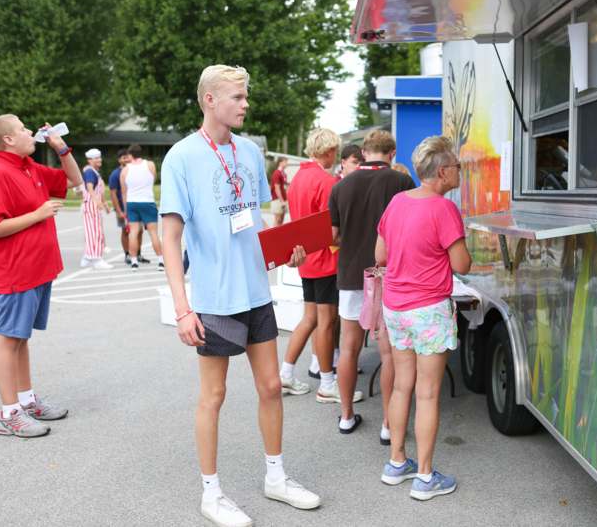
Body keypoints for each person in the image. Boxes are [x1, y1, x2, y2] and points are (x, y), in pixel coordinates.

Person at [161, 64, 319, 527]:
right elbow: (171, 238)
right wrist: (182, 308)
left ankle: (276, 476)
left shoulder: (250, 153)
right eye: (236, 96)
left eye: (246, 95)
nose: (245, 103)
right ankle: (211, 493)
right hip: (212, 300)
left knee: (271, 387)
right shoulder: (182, 157)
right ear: (210, 100)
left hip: (256, 292)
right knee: (214, 395)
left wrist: (283, 250)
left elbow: (252, 217)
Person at [376, 135, 471, 500]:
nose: (459, 172)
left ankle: (397, 462)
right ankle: (426, 478)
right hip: (429, 310)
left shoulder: (397, 203)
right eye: (458, 167)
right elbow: (461, 264)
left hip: (396, 308)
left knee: (403, 385)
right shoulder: (444, 209)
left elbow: (380, 254)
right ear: (444, 172)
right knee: (428, 394)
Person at [0, 114, 82, 438]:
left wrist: (62, 150)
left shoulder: (28, 167)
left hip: (36, 270)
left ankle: (26, 399)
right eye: (22, 129)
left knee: (20, 339)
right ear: (7, 139)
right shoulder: (0, 171)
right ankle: (9, 413)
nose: (30, 132)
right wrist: (38, 214)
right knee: (7, 340)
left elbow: (72, 182)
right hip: (14, 272)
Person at [329, 130, 414, 439]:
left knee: (349, 348)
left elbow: (334, 237)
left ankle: (347, 416)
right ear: (392, 154)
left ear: (364, 152)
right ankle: (389, 426)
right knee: (388, 353)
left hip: (351, 275)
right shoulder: (402, 183)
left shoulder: (340, 187)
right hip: (390, 274)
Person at [279, 128, 362, 405]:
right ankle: (327, 383)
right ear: (328, 151)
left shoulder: (298, 178)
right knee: (326, 323)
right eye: (335, 152)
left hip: (306, 259)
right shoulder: (326, 182)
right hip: (325, 258)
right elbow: (333, 229)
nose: (336, 156)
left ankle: (286, 372)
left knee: (310, 319)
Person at [121, 144, 164, 271]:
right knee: (153, 233)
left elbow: (124, 192)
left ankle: (134, 261)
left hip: (132, 202)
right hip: (147, 201)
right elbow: (154, 178)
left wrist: (125, 210)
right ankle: (161, 260)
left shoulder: (125, 170)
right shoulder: (150, 165)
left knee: (133, 232)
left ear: (130, 155)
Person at [108, 148, 146, 265]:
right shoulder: (116, 174)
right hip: (123, 207)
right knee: (125, 231)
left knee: (139, 231)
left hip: (135, 205)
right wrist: (119, 210)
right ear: (119, 160)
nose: (127, 159)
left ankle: (138, 254)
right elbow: (113, 193)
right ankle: (127, 254)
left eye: (128, 157)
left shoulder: (134, 171)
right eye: (124, 157)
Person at [80, 148, 113, 269]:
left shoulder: (94, 172)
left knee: (94, 232)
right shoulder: (89, 172)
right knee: (94, 233)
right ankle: (96, 258)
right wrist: (96, 201)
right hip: (91, 205)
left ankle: (88, 256)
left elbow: (100, 190)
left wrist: (105, 204)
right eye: (96, 158)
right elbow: (89, 188)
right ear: (90, 160)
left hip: (94, 205)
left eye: (99, 157)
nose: (99, 160)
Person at [270, 156, 288, 226]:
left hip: (283, 199)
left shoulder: (283, 173)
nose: (287, 163)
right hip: (278, 200)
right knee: (278, 220)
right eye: (285, 162)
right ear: (280, 163)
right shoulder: (277, 173)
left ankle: (278, 236)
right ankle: (273, 236)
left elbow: (285, 187)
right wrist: (282, 201)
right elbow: (277, 188)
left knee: (281, 221)